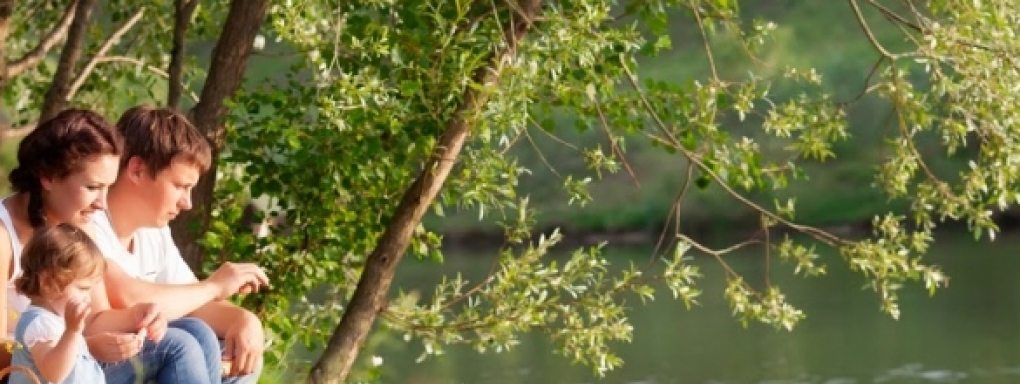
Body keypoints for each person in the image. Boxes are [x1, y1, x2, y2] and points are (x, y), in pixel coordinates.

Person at [0, 108, 227, 383]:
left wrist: (138, 315)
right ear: (47, 176)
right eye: (93, 187)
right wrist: (83, 348)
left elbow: (94, 318)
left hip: (75, 359)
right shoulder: (4, 237)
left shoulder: (79, 226)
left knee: (197, 331)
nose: (102, 203)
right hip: (38, 372)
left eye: (108, 187)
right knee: (178, 346)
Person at [90, 105, 268, 382]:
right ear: (137, 170)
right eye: (180, 186)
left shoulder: (153, 232)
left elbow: (192, 302)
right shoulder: (86, 220)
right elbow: (128, 297)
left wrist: (244, 320)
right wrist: (214, 286)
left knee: (239, 353)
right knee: (181, 343)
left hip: (131, 357)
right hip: (81, 361)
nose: (187, 203)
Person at [9, 223, 213, 384]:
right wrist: (72, 332)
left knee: (196, 330)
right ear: (47, 282)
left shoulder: (55, 319)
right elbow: (54, 372)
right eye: (82, 288)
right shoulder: (39, 323)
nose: (88, 297)